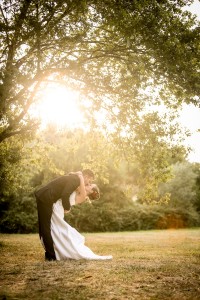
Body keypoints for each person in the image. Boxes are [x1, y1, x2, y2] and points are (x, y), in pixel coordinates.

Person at [34, 169, 95, 261]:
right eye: (89, 180)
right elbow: (65, 194)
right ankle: (50, 255)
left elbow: (67, 192)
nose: (88, 183)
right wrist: (67, 208)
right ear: (86, 176)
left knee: (45, 227)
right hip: (46, 197)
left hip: (46, 198)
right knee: (46, 227)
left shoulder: (76, 179)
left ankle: (50, 254)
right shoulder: (76, 179)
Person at [51, 183, 113, 260]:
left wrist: (79, 175)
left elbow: (80, 178)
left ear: (91, 191)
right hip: (57, 207)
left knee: (57, 229)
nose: (88, 184)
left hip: (57, 208)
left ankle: (58, 250)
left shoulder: (83, 195)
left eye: (90, 185)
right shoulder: (79, 190)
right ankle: (56, 249)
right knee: (57, 229)